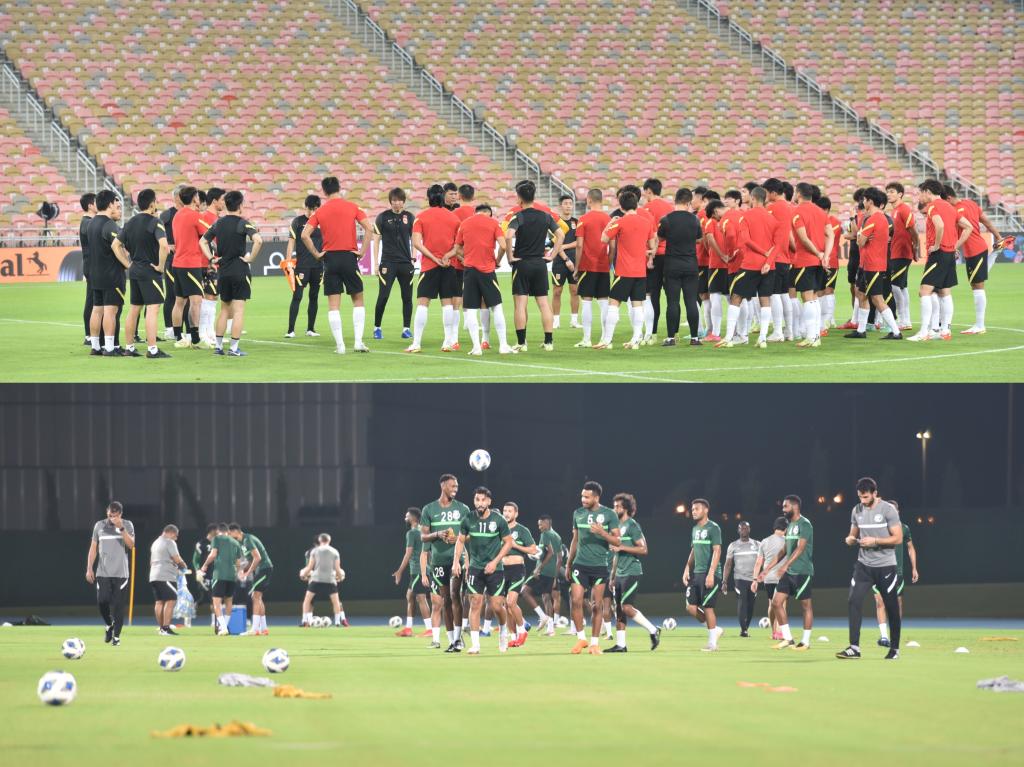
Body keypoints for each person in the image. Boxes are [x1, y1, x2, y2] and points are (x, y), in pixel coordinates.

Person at [300, 175, 374, 354]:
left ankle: (340, 346)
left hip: (330, 259)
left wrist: (317, 254)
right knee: (358, 300)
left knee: (334, 304)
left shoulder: (320, 212)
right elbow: (369, 228)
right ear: (339, 188)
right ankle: (358, 342)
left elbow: (304, 235)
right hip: (349, 257)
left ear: (324, 191)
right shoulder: (352, 207)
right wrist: (362, 251)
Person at [836, 477, 904, 660]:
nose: (863, 500)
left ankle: (895, 649)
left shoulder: (888, 510)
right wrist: (850, 539)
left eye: (866, 497)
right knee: (853, 600)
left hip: (886, 566)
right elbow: (852, 534)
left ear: (875, 493)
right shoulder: (856, 510)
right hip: (863, 565)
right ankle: (854, 648)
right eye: (860, 497)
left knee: (891, 606)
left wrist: (875, 541)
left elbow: (898, 538)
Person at [451, 487, 515, 654]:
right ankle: (475, 645)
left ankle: (503, 631)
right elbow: (460, 541)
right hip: (475, 568)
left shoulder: (498, 520)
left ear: (489, 502)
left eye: (483, 500)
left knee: (496, 606)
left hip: (495, 569)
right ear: (474, 501)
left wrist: (495, 562)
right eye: (477, 500)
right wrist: (456, 562)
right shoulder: (468, 519)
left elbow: (508, 542)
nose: (480, 503)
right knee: (475, 603)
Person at [504, 179, 565, 351]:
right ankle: (549, 342)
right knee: (544, 303)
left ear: (519, 198)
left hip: (522, 263)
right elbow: (560, 235)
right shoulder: (545, 216)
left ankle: (521, 343)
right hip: (539, 263)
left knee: (520, 304)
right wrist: (553, 255)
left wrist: (510, 256)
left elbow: (508, 236)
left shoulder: (518, 217)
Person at [201, 191, 263, 356]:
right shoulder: (243, 223)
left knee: (224, 310)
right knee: (238, 311)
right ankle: (234, 348)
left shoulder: (218, 223)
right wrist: (251, 259)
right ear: (240, 205)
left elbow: (203, 241)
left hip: (223, 271)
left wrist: (211, 258)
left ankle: (218, 347)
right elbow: (258, 240)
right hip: (239, 270)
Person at [565, 480, 620, 655]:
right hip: (580, 565)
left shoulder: (610, 514)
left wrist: (602, 533)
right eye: (582, 496)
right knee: (576, 600)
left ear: (596, 498)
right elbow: (575, 540)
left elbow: (617, 541)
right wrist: (568, 563)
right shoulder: (578, 513)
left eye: (587, 497)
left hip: (599, 567)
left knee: (597, 605)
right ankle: (581, 638)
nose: (583, 499)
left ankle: (594, 643)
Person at [597, 190, 657, 349]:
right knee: (638, 305)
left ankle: (607, 340)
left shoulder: (620, 222)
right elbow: (652, 247)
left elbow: (603, 239)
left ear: (621, 207)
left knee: (613, 304)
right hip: (640, 272)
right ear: (636, 204)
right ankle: (635, 340)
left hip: (623, 271)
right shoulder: (646, 222)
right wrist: (643, 251)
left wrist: (610, 223)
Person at [453, 203, 515, 355]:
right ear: (489, 213)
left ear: (475, 212)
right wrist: (497, 261)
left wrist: (466, 257)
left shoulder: (465, 223)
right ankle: (503, 345)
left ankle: (476, 347)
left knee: (471, 309)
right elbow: (503, 246)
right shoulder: (493, 223)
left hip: (470, 271)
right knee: (496, 307)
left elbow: (457, 248)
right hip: (487, 271)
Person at [419, 473, 471, 651]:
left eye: (457, 486)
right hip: (438, 561)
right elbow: (423, 537)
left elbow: (471, 534)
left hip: (456, 560)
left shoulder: (463, 509)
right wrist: (438, 534)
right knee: (446, 600)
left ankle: (458, 638)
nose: (455, 489)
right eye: (452, 486)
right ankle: (451, 641)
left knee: (456, 595)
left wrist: (459, 538)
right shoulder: (429, 509)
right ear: (443, 486)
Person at [407, 184, 461, 353]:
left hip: (429, 266)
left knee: (423, 303)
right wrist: (447, 256)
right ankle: (447, 342)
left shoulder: (420, 217)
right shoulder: (454, 219)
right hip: (448, 265)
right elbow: (459, 246)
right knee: (447, 304)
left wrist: (433, 258)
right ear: (443, 197)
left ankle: (416, 343)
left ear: (428, 198)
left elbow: (416, 243)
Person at [717, 189, 773, 348]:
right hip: (769, 264)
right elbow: (779, 243)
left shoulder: (746, 216)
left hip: (750, 263)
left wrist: (761, 253)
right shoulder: (771, 217)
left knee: (736, 297)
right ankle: (762, 338)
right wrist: (768, 258)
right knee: (765, 300)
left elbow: (745, 240)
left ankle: (729, 337)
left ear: (753, 198)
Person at [845, 187, 902, 340]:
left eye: (864, 200)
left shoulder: (874, 219)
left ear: (870, 201)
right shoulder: (877, 218)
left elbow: (860, 241)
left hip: (873, 265)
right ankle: (861, 330)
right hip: (867, 264)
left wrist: (859, 235)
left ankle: (896, 331)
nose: (863, 202)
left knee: (877, 298)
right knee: (861, 294)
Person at [120, 188, 171, 358]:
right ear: (152, 204)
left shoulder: (130, 223)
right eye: (155, 201)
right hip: (150, 271)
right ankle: (152, 349)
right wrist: (160, 266)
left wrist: (127, 264)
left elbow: (115, 245)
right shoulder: (155, 222)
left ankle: (129, 347)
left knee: (134, 309)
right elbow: (164, 246)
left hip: (135, 270)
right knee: (152, 309)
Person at [606, 492, 660, 652]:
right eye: (614, 506)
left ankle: (653, 630)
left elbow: (644, 549)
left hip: (632, 571)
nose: (614, 509)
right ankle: (621, 645)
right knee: (618, 609)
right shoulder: (616, 528)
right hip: (619, 573)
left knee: (626, 607)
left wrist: (622, 547)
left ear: (626, 509)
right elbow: (616, 555)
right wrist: (612, 576)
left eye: (617, 506)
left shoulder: (632, 525)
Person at [909, 179, 959, 342]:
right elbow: (967, 226)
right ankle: (944, 330)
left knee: (924, 291)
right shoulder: (949, 206)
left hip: (939, 253)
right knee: (944, 291)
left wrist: (937, 245)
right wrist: (954, 245)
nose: (920, 197)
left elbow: (940, 225)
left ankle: (925, 332)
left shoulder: (933, 206)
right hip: (949, 253)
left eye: (921, 193)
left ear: (928, 192)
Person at [763, 494, 814, 650]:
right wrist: (767, 569)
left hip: (802, 571)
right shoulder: (790, 525)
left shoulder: (805, 524)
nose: (783, 509)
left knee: (805, 606)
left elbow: (800, 548)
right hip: (789, 572)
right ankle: (788, 639)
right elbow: (784, 550)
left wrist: (785, 566)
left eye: (785, 506)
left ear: (795, 506)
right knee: (776, 603)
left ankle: (805, 641)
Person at [949, 187, 1002, 335]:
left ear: (948, 198)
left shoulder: (956, 210)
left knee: (977, 286)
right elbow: (987, 222)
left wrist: (954, 247)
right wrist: (998, 237)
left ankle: (980, 325)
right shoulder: (971, 203)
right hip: (979, 247)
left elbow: (957, 232)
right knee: (977, 282)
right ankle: (995, 253)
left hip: (974, 250)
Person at [85, 501, 135, 645]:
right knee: (102, 601)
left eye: (114, 515)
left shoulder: (128, 524)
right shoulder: (99, 525)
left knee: (119, 606)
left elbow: (131, 545)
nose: (111, 518)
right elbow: (93, 548)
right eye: (109, 515)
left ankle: (116, 637)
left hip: (121, 573)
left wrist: (121, 528)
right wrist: (89, 568)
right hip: (103, 572)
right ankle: (108, 624)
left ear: (120, 514)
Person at [658, 187, 703, 346]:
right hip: (691, 264)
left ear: (675, 200)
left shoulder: (666, 219)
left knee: (673, 302)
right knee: (691, 301)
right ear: (689, 202)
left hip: (672, 264)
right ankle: (694, 338)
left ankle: (671, 338)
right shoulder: (695, 220)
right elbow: (699, 239)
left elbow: (659, 238)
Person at [791, 183, 834, 348]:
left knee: (807, 297)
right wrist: (825, 255)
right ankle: (816, 335)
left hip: (805, 260)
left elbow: (803, 238)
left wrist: (818, 253)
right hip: (818, 261)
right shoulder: (820, 211)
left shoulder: (797, 212)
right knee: (814, 297)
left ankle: (812, 337)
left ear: (798, 194)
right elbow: (830, 234)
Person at [86, 191, 129, 356]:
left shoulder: (91, 223)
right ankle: (110, 348)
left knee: (97, 310)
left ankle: (96, 346)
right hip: (111, 275)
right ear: (110, 204)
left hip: (95, 274)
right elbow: (116, 246)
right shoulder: (109, 224)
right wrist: (128, 264)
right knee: (111, 311)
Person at [371, 188, 415, 341]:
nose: (397, 203)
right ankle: (377, 328)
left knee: (407, 297)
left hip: (405, 264)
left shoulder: (410, 217)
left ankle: (406, 329)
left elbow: (414, 239)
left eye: (399, 200)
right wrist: (376, 264)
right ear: (390, 201)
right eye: (394, 200)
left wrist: (413, 257)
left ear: (404, 201)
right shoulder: (382, 217)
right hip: (387, 263)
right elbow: (376, 241)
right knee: (383, 296)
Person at [681, 498, 724, 652]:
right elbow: (693, 550)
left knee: (707, 607)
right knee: (690, 607)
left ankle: (712, 644)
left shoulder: (713, 528)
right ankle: (715, 629)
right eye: (692, 509)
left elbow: (717, 550)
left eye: (697, 509)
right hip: (697, 573)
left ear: (706, 510)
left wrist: (711, 573)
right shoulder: (694, 529)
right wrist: (687, 567)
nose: (693, 511)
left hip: (710, 573)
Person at [875, 501, 918, 646]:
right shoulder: (878, 528)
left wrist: (914, 568)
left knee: (897, 604)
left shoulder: (904, 528)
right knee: (880, 602)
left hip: (897, 573)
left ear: (898, 511)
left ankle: (895, 635)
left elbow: (910, 548)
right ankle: (884, 637)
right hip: (879, 571)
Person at [573, 188, 612, 348]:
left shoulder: (583, 219)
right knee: (604, 303)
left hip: (587, 266)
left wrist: (577, 267)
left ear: (589, 200)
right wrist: (609, 263)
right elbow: (613, 246)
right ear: (601, 200)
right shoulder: (609, 219)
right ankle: (605, 338)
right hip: (603, 266)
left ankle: (587, 339)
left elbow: (579, 245)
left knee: (587, 301)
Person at [170, 186, 208, 348]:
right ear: (194, 198)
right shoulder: (195, 216)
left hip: (177, 263)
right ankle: (195, 338)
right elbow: (209, 233)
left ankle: (179, 337)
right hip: (191, 264)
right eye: (197, 196)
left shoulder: (177, 215)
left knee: (179, 301)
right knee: (196, 301)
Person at [284, 194, 323, 338]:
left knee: (314, 296)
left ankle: (310, 329)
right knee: (297, 296)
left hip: (318, 266)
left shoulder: (321, 221)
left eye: (315, 209)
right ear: (305, 207)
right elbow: (291, 243)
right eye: (310, 209)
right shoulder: (297, 221)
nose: (312, 212)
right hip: (302, 266)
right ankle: (290, 330)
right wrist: (288, 262)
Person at [500, 501, 538, 647]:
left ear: (516, 513)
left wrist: (516, 545)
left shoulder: (522, 530)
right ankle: (513, 636)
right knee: (506, 605)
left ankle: (522, 630)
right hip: (501, 569)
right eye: (505, 510)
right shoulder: (499, 529)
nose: (506, 513)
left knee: (511, 602)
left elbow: (533, 549)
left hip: (517, 569)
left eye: (510, 511)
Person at [641, 178, 674, 343]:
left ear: (648, 191)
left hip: (654, 255)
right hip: (671, 255)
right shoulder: (670, 207)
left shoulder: (646, 209)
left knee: (653, 295)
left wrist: (649, 255)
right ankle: (673, 333)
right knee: (672, 295)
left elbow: (649, 235)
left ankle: (652, 333)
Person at [196, 523, 244, 635]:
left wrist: (204, 566)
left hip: (220, 575)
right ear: (228, 531)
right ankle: (225, 626)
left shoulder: (216, 539)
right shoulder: (235, 542)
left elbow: (213, 555)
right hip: (232, 576)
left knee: (216, 602)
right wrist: (237, 573)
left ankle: (223, 627)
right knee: (229, 601)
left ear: (218, 531)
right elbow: (238, 563)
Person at [392, 507, 431, 637]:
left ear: (413, 518)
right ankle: (408, 629)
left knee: (421, 598)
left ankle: (429, 629)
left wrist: (399, 571)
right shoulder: (424, 531)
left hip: (417, 570)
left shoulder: (412, 533)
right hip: (424, 569)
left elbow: (408, 554)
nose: (405, 518)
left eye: (407, 516)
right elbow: (429, 552)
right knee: (410, 596)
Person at [885, 183, 918, 330]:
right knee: (902, 286)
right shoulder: (894, 211)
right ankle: (906, 320)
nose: (888, 194)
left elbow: (912, 229)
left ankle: (903, 319)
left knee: (894, 285)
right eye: (887, 192)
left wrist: (915, 246)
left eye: (892, 191)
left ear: (900, 194)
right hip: (895, 252)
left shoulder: (904, 209)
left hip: (902, 253)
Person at [230, 523, 273, 636]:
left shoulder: (247, 540)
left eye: (230, 534)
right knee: (258, 597)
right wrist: (242, 570)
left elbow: (257, 558)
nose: (230, 536)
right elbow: (250, 561)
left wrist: (247, 573)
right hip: (261, 569)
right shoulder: (241, 543)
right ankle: (264, 629)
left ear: (235, 531)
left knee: (255, 596)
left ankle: (254, 629)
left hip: (264, 568)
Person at [520, 514, 561, 634]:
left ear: (547, 523)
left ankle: (542, 616)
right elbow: (559, 559)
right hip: (551, 573)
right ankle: (550, 629)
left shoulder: (545, 534)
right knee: (546, 597)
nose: (539, 527)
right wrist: (555, 576)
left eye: (541, 524)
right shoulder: (557, 536)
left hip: (542, 571)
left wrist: (539, 568)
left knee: (524, 591)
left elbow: (550, 553)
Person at [196, 187, 225, 345]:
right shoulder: (204, 217)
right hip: (204, 263)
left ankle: (211, 332)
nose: (224, 203)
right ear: (214, 201)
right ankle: (202, 333)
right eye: (222, 200)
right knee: (205, 298)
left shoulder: (218, 218)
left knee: (213, 297)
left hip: (214, 263)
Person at [751, 516, 788, 638]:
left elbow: (758, 562)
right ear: (786, 528)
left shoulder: (764, 541)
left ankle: (774, 632)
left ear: (774, 527)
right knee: (782, 605)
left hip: (768, 578)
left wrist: (755, 580)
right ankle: (781, 632)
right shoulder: (788, 541)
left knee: (771, 604)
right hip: (782, 577)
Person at [299, 533, 346, 627]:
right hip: (330, 579)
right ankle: (337, 622)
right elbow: (337, 568)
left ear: (320, 540)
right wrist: (340, 577)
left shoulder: (314, 551)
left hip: (316, 579)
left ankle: (304, 621)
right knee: (336, 602)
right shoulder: (335, 551)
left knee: (307, 600)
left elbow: (310, 567)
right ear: (329, 540)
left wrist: (303, 574)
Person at [722, 521, 760, 637]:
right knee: (742, 602)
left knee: (751, 605)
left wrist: (762, 575)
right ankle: (743, 630)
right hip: (739, 579)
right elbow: (728, 564)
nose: (744, 530)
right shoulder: (733, 545)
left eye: (746, 528)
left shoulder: (757, 544)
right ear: (738, 530)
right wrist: (724, 581)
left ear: (749, 529)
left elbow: (762, 561)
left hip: (753, 579)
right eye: (741, 528)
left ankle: (746, 628)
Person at [149, 524, 187, 636]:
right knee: (171, 600)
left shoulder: (155, 543)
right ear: (170, 532)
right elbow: (177, 559)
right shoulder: (169, 542)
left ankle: (162, 628)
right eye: (175, 535)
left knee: (159, 601)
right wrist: (184, 566)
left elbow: (151, 561)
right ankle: (166, 628)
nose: (176, 538)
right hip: (166, 575)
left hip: (154, 575)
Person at [551, 194, 580, 330]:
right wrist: (566, 259)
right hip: (559, 261)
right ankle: (556, 321)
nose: (568, 206)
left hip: (575, 261)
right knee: (557, 291)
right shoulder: (554, 223)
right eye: (565, 203)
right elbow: (555, 243)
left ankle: (574, 321)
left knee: (574, 290)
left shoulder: (577, 222)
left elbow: (579, 242)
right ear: (560, 206)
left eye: (570, 203)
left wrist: (564, 246)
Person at [79, 193, 98, 346]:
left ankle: (91, 334)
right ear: (91, 205)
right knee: (92, 300)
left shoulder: (89, 222)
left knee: (93, 299)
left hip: (92, 265)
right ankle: (89, 335)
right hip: (92, 265)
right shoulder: (87, 223)